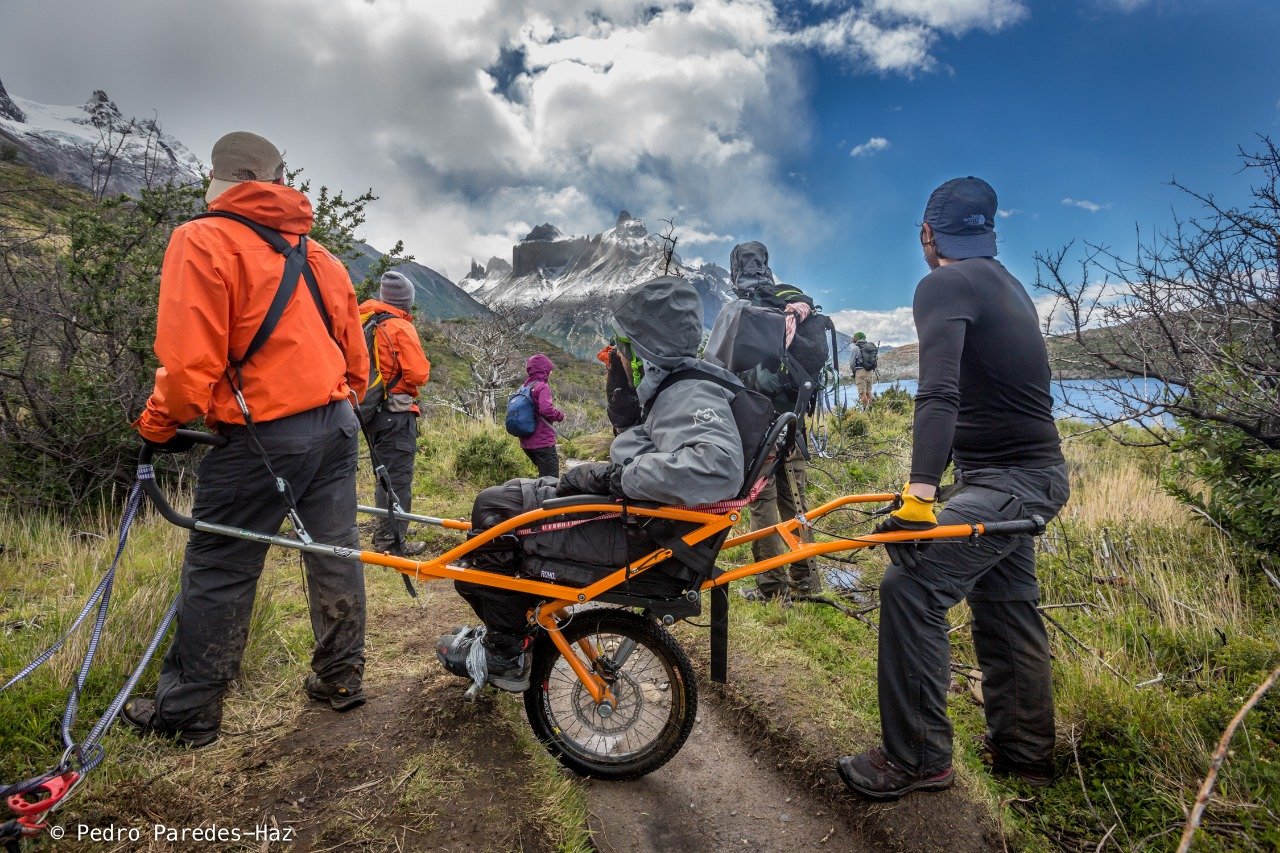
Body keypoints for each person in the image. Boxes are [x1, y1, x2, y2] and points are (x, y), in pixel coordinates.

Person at [123, 131, 371, 747]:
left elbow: (188, 366)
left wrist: (159, 424)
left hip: (263, 435)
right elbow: (354, 357)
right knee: (334, 551)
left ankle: (190, 711)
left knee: (221, 564)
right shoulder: (320, 256)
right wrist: (337, 404)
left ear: (223, 182)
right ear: (278, 182)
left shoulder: (202, 240)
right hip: (336, 423)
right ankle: (340, 678)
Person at [836, 177, 1069, 800]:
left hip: (1009, 480)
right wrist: (939, 487)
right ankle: (1025, 757)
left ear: (927, 233)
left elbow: (938, 392)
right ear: (987, 232)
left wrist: (919, 497)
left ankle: (917, 759)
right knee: (1006, 604)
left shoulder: (944, 284)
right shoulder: (1006, 284)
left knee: (910, 584)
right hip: (1029, 475)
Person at [439, 277, 744, 691]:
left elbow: (718, 466)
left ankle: (506, 652)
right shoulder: (680, 381)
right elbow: (662, 446)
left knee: (493, 515)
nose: (616, 352)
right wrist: (625, 425)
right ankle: (516, 627)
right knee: (495, 514)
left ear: (646, 345)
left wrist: (616, 477)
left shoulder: (688, 391)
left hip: (643, 533)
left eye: (623, 344)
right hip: (644, 519)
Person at [728, 241, 820, 601]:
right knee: (795, 501)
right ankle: (806, 580)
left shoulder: (743, 307)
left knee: (762, 503)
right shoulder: (789, 299)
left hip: (758, 425)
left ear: (736, 267)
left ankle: (772, 588)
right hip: (792, 422)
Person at [359, 270, 431, 557]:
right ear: (406, 300)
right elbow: (418, 373)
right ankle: (391, 542)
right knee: (397, 479)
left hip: (370, 412)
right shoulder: (400, 327)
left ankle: (385, 536)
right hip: (396, 413)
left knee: (383, 477)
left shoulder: (365, 320)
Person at [518, 354, 565, 477]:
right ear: (543, 370)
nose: (550, 373)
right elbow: (546, 410)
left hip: (526, 442)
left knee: (543, 477)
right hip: (542, 441)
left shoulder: (524, 387)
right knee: (551, 480)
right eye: (548, 369)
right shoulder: (542, 387)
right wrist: (559, 415)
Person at [850, 331, 877, 408]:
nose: (853, 339)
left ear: (857, 338)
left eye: (854, 337)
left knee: (862, 394)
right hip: (870, 372)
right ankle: (873, 409)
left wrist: (854, 372)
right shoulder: (869, 347)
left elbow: (852, 363)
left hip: (860, 372)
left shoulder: (855, 348)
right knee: (869, 392)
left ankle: (865, 410)